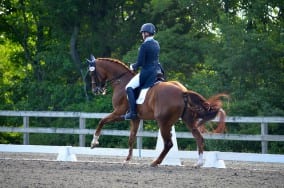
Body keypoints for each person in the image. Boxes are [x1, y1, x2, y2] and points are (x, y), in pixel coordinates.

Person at [124, 23, 162, 120]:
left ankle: (133, 113)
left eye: (143, 33)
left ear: (146, 33)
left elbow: (141, 62)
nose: (142, 35)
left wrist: (133, 66)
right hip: (157, 71)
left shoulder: (144, 45)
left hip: (147, 72)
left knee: (129, 87)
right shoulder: (156, 43)